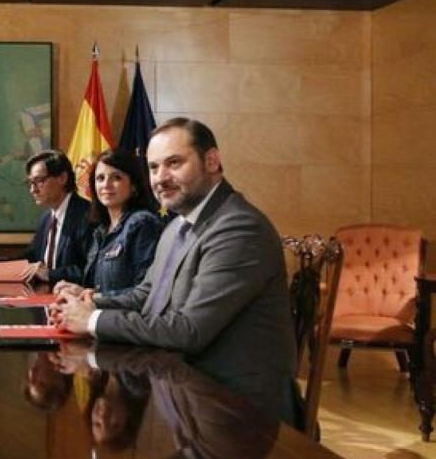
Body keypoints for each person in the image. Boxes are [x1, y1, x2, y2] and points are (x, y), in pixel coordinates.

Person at [53, 118, 300, 426]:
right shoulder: (178, 225)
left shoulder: (237, 228)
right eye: (154, 168)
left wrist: (91, 321)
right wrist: (91, 303)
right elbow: (148, 294)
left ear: (211, 161)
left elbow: (188, 331)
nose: (160, 178)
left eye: (174, 163)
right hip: (184, 392)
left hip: (240, 410)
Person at [55, 148, 162, 298]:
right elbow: (100, 286)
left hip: (126, 320)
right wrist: (75, 289)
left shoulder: (142, 223)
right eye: (100, 178)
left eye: (116, 177)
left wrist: (90, 296)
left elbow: (145, 292)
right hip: (98, 316)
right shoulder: (101, 230)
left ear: (134, 185)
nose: (106, 184)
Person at [20, 149, 91, 284]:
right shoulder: (46, 217)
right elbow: (30, 257)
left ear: (62, 178)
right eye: (30, 183)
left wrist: (49, 274)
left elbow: (91, 270)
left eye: (39, 181)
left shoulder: (87, 215)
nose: (32, 189)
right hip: (45, 297)